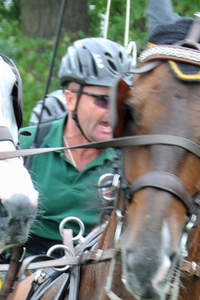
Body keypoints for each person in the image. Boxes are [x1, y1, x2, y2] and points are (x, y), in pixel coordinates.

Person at [18, 37, 134, 259]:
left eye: (122, 102)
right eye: (102, 100)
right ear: (71, 99)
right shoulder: (26, 145)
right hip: (26, 270)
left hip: (97, 272)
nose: (114, 111)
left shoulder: (131, 157)